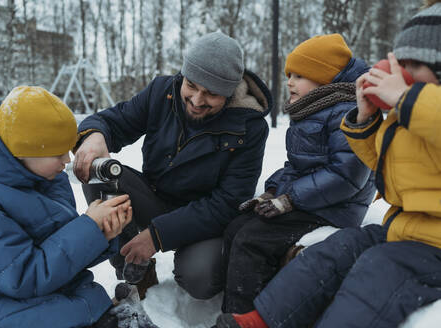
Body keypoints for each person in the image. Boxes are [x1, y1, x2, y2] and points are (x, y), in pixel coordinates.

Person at [215, 1, 441, 327]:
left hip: (427, 245)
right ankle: (257, 320)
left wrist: (406, 99)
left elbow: (348, 174)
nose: (399, 73)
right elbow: (383, 169)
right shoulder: (411, 118)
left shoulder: (416, 108)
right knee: (332, 253)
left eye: (411, 65)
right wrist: (364, 121)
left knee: (377, 270)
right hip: (405, 232)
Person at [73, 31, 272, 299]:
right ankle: (133, 268)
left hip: (205, 220)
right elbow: (113, 121)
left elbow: (228, 201)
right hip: (155, 198)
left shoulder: (250, 126)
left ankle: (178, 257)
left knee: (200, 278)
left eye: (211, 93)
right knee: (100, 172)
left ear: (229, 93)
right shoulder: (162, 92)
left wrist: (158, 235)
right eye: (191, 85)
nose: (197, 100)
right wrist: (94, 135)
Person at [0, 86, 132, 328]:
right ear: (24, 152)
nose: (67, 160)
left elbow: (57, 250)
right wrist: (89, 228)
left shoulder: (45, 178)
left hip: (42, 295)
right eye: (58, 153)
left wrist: (101, 232)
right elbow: (22, 277)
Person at [219, 33, 376, 315]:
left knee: (252, 240)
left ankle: (245, 317)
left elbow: (347, 176)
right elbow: (297, 166)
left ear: (325, 78)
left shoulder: (347, 112)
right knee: (237, 227)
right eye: (289, 74)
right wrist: (272, 191)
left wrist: (290, 198)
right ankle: (233, 308)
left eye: (300, 75)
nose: (290, 81)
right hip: (310, 200)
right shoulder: (313, 111)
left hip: (336, 207)